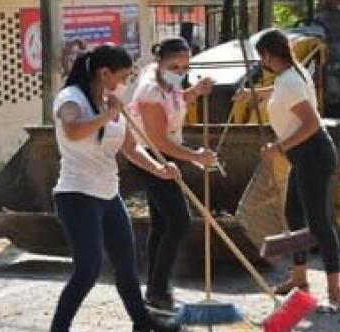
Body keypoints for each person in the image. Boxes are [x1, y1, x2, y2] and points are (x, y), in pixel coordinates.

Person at [50, 45, 181, 332]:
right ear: (104, 72)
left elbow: (131, 148)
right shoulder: (71, 98)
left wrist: (159, 169)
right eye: (123, 76)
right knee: (88, 269)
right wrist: (107, 115)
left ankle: (142, 321)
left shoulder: (113, 102)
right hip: (76, 195)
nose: (126, 82)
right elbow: (73, 130)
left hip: (108, 194)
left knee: (127, 263)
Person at [235, 29, 340, 312]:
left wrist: (278, 147)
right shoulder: (292, 74)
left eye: (262, 58)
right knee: (294, 214)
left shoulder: (290, 82)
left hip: (313, 154)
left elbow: (311, 124)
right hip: (306, 156)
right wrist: (252, 94)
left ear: (270, 55)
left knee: (318, 222)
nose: (261, 63)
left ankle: (335, 290)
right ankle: (299, 280)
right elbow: (280, 91)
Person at [129, 37, 218, 312]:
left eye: (184, 66)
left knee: (162, 223)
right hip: (152, 157)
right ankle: (157, 289)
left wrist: (196, 91)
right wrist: (197, 157)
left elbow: (179, 99)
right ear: (160, 62)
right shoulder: (150, 90)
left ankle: (156, 288)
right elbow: (159, 142)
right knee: (179, 222)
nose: (179, 71)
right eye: (174, 66)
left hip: (168, 153)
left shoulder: (170, 83)